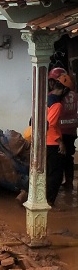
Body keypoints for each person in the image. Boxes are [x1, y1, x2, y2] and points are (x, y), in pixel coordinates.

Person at [47, 71, 73, 207]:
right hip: (52, 143)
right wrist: (60, 142)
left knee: (46, 173)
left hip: (43, 142)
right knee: (56, 175)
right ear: (64, 90)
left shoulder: (46, 99)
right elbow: (50, 124)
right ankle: (49, 202)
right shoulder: (57, 105)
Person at [50, 67, 76, 193]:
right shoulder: (75, 95)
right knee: (69, 158)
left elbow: (50, 123)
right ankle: (69, 182)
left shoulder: (53, 98)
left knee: (56, 165)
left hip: (57, 135)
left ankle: (53, 188)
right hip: (71, 131)